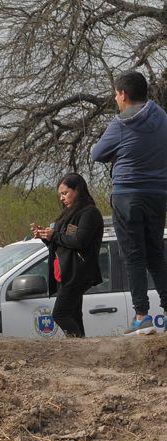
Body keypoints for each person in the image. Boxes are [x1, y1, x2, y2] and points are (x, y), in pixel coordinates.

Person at [90, 71, 167, 335]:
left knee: (133, 255)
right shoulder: (163, 118)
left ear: (123, 94)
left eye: (115, 94)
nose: (115, 99)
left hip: (127, 195)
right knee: (157, 253)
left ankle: (142, 315)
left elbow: (96, 153)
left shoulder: (121, 123)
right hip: (158, 194)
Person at [31, 174, 104, 338]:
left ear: (77, 190)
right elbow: (63, 244)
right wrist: (45, 236)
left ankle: (77, 347)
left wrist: (54, 235)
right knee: (73, 314)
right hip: (67, 272)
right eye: (60, 195)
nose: (62, 197)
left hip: (79, 272)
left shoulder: (89, 213)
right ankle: (82, 349)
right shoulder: (67, 213)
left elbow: (79, 242)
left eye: (65, 193)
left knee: (60, 314)